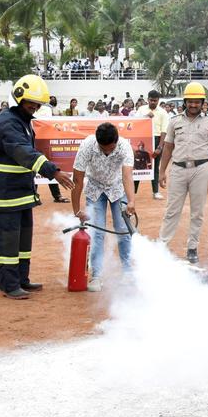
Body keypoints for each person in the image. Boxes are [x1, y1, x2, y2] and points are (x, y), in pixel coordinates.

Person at [0, 75, 73, 300]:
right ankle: (9, 285)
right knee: (6, 242)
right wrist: (54, 172)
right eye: (31, 102)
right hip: (2, 194)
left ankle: (21, 279)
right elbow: (23, 152)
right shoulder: (8, 122)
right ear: (19, 97)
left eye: (38, 104)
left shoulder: (22, 120)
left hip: (19, 192)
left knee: (22, 240)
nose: (35, 107)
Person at [157, 83, 208, 265]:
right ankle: (162, 246)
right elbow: (168, 147)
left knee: (197, 212)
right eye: (190, 102)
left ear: (202, 103)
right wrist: (162, 171)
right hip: (177, 169)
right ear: (185, 102)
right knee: (172, 210)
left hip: (201, 170)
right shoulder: (174, 121)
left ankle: (192, 248)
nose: (193, 105)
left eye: (197, 102)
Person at [71, 122, 136, 292]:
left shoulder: (124, 146)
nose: (107, 152)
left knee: (123, 229)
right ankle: (96, 275)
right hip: (94, 189)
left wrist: (131, 201)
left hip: (117, 188)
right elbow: (77, 179)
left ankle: (128, 272)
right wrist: (76, 209)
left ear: (116, 141)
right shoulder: (87, 145)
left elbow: (127, 176)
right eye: (103, 149)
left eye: (110, 149)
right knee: (97, 232)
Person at [133, 90, 169, 201]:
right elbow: (135, 122)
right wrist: (145, 116)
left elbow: (164, 130)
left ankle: (156, 191)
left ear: (158, 100)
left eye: (155, 100)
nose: (153, 102)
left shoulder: (163, 112)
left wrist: (160, 146)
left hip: (157, 139)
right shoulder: (141, 109)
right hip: (143, 139)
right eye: (151, 100)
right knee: (138, 166)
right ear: (148, 99)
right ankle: (132, 192)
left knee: (155, 166)